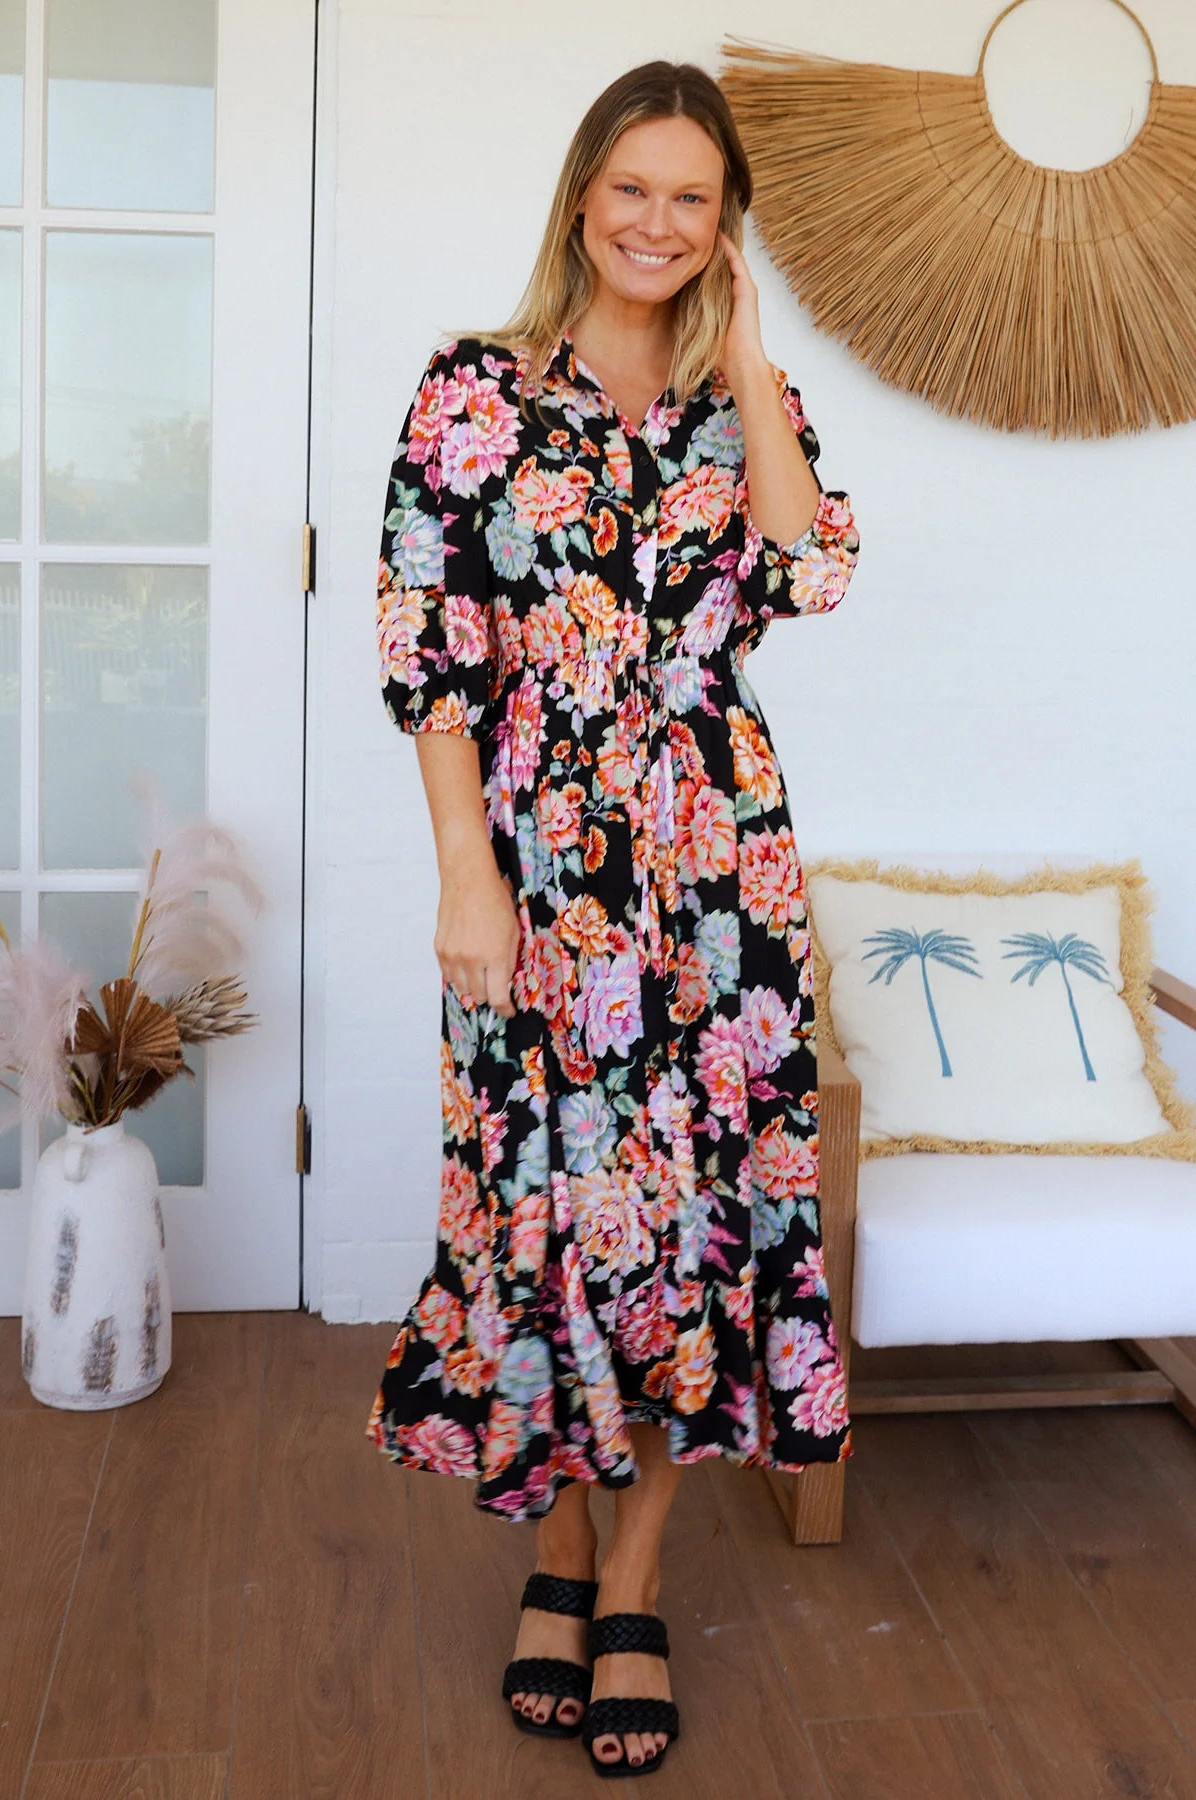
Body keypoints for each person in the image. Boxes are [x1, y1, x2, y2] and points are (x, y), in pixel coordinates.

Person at [365, 57, 860, 1779]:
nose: (657, 222)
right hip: (537, 860)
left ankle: (632, 1578)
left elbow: (809, 570)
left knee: (696, 1214)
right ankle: (560, 1550)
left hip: (721, 871)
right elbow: (429, 646)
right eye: (632, 187)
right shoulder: (474, 390)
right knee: (551, 1208)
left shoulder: (745, 397)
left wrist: (753, 356)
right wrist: (465, 871)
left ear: (727, 226)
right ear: (583, 193)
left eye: (692, 200)